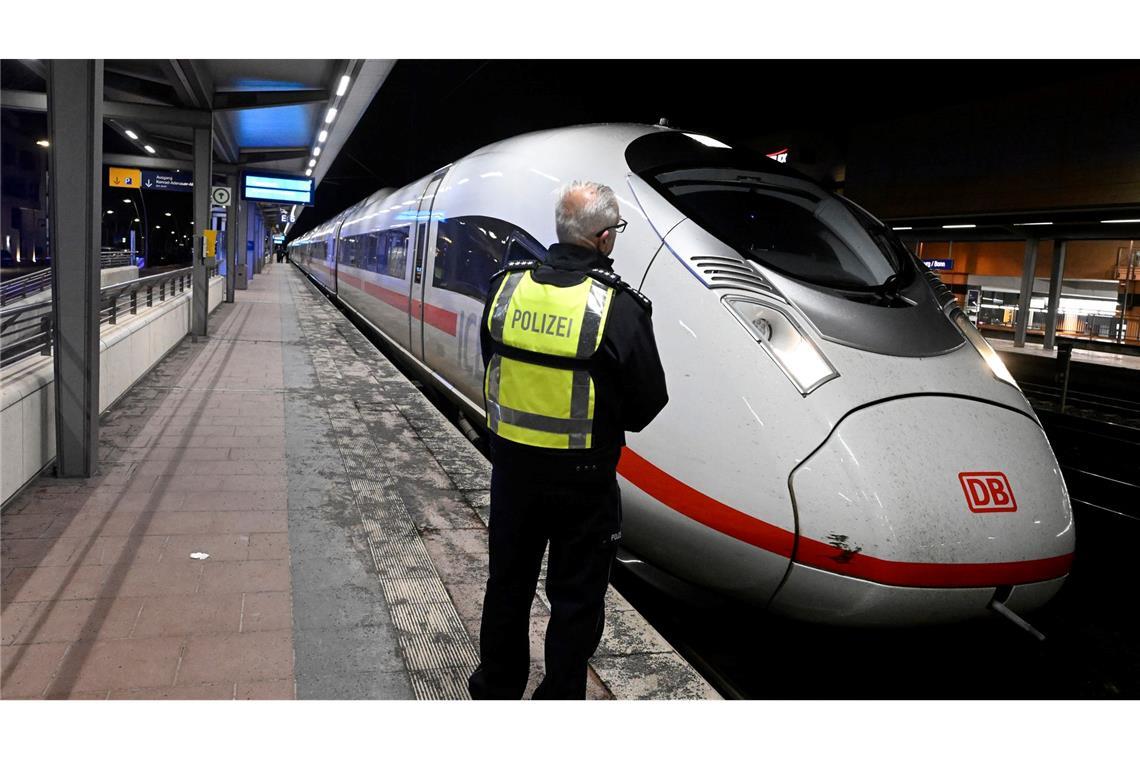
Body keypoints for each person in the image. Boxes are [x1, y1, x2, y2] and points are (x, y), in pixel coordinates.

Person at [468, 180, 669, 699]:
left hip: (512, 474)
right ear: (604, 238)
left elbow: (492, 362)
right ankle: (558, 698)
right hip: (584, 484)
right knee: (576, 599)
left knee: (507, 585)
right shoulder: (617, 306)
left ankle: (496, 688)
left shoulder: (506, 288)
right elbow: (647, 404)